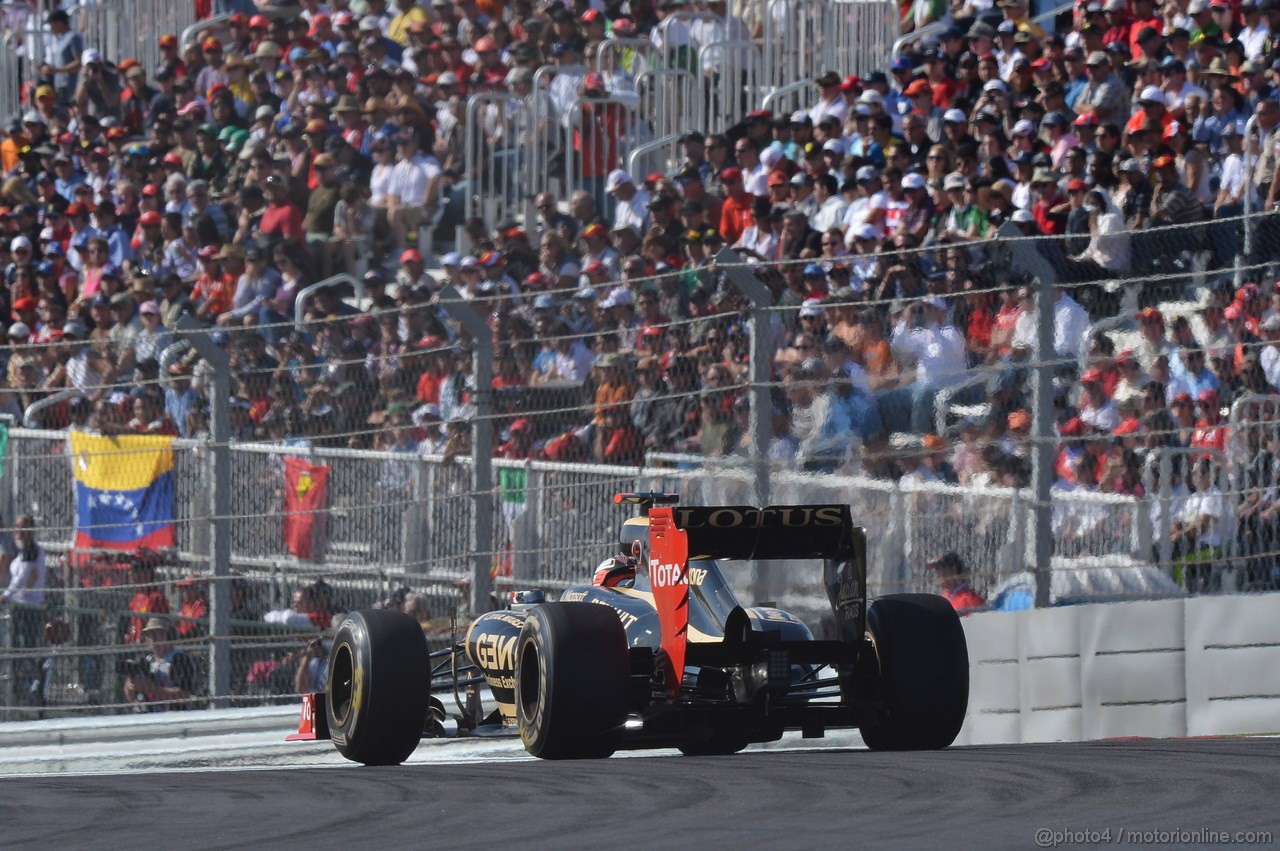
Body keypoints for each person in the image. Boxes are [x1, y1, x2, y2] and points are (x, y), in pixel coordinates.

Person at [123, 618, 197, 711]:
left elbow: (184, 696)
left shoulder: (178, 659)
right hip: (150, 716)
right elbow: (132, 699)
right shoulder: (147, 661)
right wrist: (131, 685)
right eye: (149, 635)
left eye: (158, 633)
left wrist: (152, 688)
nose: (153, 638)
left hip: (175, 715)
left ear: (168, 636)